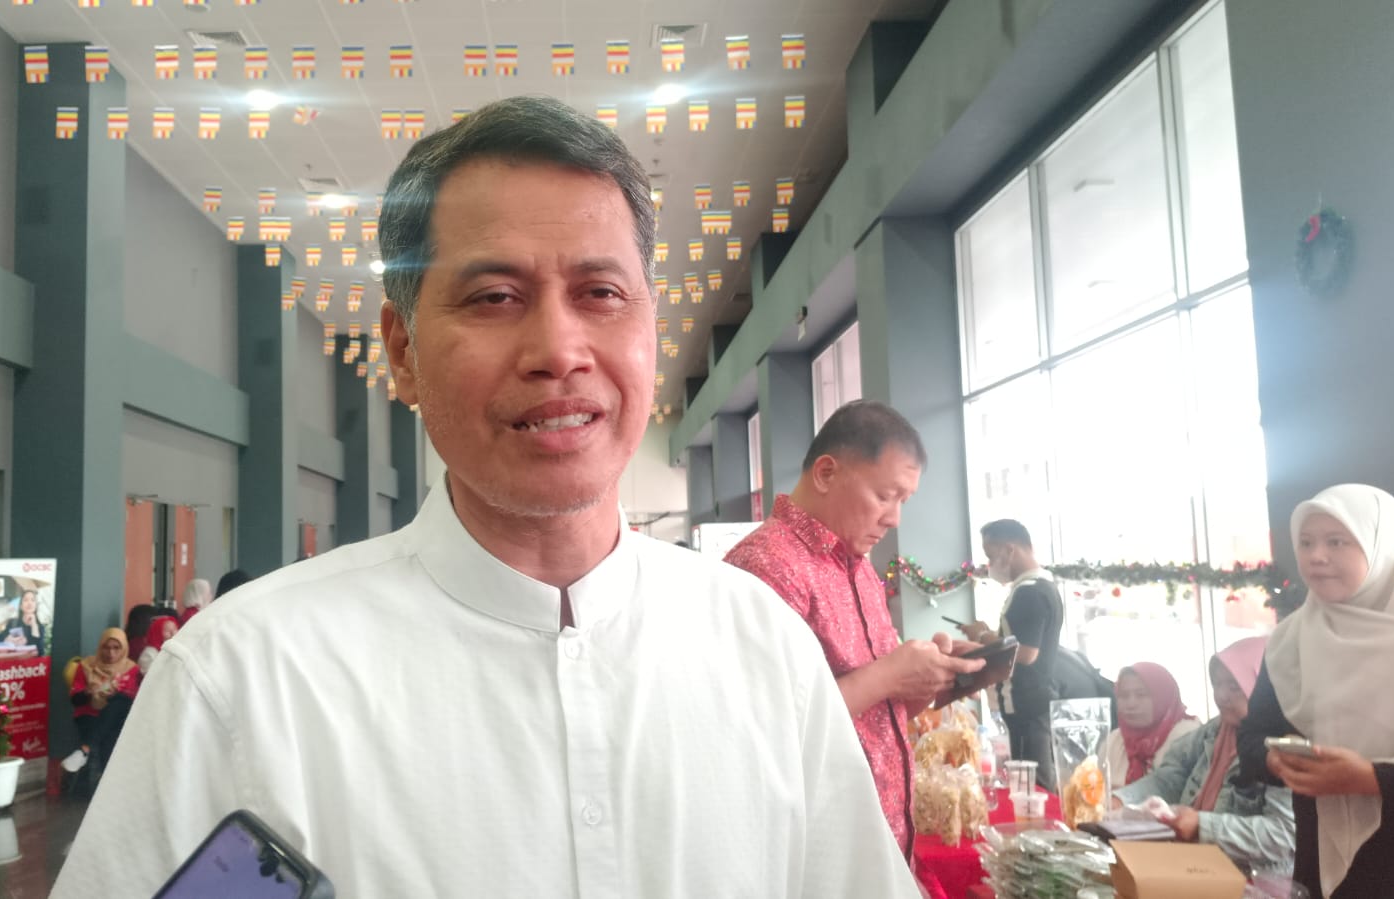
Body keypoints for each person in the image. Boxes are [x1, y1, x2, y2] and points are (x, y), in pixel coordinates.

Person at [52, 96, 919, 898]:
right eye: (494, 297)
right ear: (402, 351)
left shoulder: (761, 645)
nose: (558, 349)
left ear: (650, 329)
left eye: (601, 293)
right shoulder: (243, 679)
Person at [724, 400, 985, 859]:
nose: (894, 518)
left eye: (903, 501)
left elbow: (875, 711)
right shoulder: (765, 564)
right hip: (819, 850)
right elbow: (760, 723)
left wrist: (927, 677)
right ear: (826, 474)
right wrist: (890, 674)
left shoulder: (858, 566)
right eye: (885, 496)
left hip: (881, 839)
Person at [1238, 484, 1394, 897]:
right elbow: (1252, 737)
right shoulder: (1290, 640)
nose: (1316, 556)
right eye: (1306, 542)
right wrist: (1279, 761)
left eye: (1337, 541)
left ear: (1383, 548)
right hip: (1320, 860)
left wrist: (1371, 779)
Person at [1113, 637, 1294, 873]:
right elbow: (1171, 777)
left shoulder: (1283, 746)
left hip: (1253, 881)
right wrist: (1121, 800)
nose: (1221, 696)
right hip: (1195, 867)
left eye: (1234, 686)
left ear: (1262, 688)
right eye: (1217, 684)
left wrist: (1202, 825)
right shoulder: (1216, 730)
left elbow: (1283, 836)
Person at [962, 519, 1065, 790]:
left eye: (991, 556)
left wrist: (982, 636)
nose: (990, 564)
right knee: (1031, 780)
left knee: (1032, 784)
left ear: (1010, 550)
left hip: (1026, 702)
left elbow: (1027, 652)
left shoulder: (1029, 592)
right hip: (1032, 701)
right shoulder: (1043, 585)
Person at [1102, 662, 1200, 790]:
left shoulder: (1189, 737)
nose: (1131, 704)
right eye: (1124, 696)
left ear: (1163, 696)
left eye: (1141, 695)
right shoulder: (1113, 741)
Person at [61, 628, 140, 775]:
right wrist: (87, 691)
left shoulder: (132, 669)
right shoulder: (87, 666)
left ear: (124, 648)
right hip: (90, 715)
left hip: (119, 716)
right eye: (106, 648)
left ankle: (84, 750)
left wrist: (113, 693)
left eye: (116, 648)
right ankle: (106, 782)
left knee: (120, 702)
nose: (111, 653)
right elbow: (75, 700)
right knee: (110, 734)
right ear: (100, 647)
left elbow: (133, 700)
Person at [0, 589, 47, 657]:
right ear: (21, 606)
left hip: (30, 662)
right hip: (13, 660)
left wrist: (34, 625)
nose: (29, 603)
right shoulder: (13, 622)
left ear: (36, 606)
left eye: (33, 600)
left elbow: (40, 653)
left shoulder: (40, 627)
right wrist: (6, 640)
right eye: (26, 600)